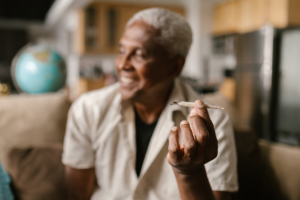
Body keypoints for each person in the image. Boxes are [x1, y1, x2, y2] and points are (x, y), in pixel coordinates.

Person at [63, 8, 238, 200]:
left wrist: (190, 173)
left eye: (139, 55)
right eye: (122, 51)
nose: (122, 64)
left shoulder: (213, 123)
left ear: (175, 66)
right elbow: (76, 196)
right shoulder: (87, 109)